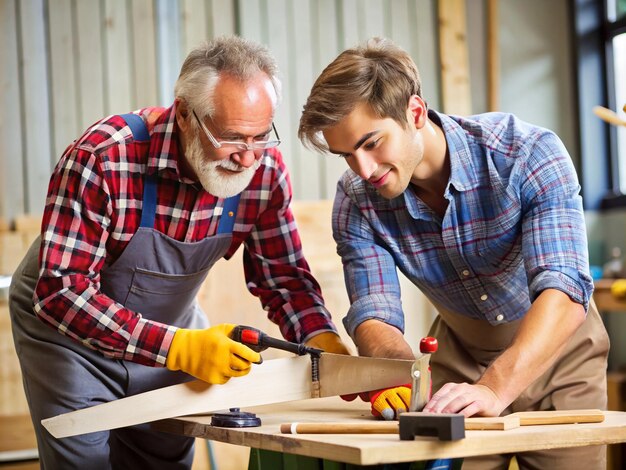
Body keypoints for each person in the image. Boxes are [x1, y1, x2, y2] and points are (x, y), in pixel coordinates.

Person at [9, 35, 350, 468]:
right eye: (231, 138)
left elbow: (283, 278)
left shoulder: (263, 172)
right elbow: (60, 292)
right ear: (185, 114)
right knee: (83, 461)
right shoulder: (105, 158)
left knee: (163, 461)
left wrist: (324, 343)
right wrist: (177, 348)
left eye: (261, 137)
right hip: (69, 342)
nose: (247, 159)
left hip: (173, 333)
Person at [298, 37, 609, 469]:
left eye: (371, 144)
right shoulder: (357, 200)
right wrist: (402, 376)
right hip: (458, 363)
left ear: (415, 112)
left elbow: (564, 289)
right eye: (346, 155)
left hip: (560, 358)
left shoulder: (528, 154)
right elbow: (374, 312)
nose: (363, 170)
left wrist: (496, 387)